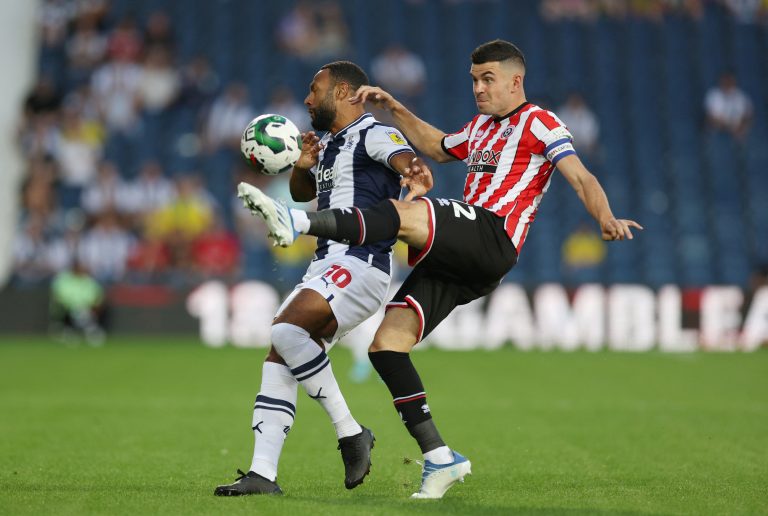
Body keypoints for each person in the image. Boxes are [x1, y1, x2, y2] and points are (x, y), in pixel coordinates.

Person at [237, 39, 642, 499]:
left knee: (400, 212)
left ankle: (297, 221)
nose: (478, 88)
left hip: (493, 235)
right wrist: (396, 106)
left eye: (488, 79)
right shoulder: (481, 128)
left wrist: (605, 217)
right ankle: (440, 457)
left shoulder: (539, 121)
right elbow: (437, 145)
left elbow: (580, 175)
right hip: (463, 258)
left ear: (516, 81)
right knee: (386, 346)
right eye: (473, 79)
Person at [215, 61, 432, 496]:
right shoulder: (331, 143)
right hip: (328, 264)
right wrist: (302, 166)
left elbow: (404, 157)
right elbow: (302, 194)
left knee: (286, 328)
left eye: (315, 90)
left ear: (346, 92)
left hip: (360, 262)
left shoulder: (372, 132)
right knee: (282, 352)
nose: (307, 99)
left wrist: (414, 171)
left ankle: (351, 433)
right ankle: (263, 473)